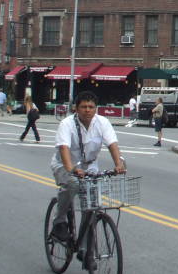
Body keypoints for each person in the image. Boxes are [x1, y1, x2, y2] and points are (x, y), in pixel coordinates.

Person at [49, 91, 125, 241]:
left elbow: (112, 144)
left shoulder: (102, 122)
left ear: (96, 108)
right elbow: (64, 148)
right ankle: (59, 221)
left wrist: (118, 164)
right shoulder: (67, 124)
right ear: (76, 109)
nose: (88, 110)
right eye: (84, 106)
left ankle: (85, 248)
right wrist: (72, 169)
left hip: (90, 165)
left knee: (91, 204)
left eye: (91, 106)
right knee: (73, 184)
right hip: (65, 164)